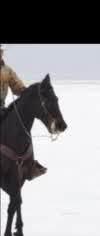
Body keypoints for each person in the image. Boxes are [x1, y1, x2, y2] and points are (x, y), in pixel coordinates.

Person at [1, 44, 47, 180]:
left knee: (22, 128)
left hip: (1, 108)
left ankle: (30, 165)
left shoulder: (7, 71)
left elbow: (18, 87)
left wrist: (29, 94)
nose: (0, 54)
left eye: (1, 51)